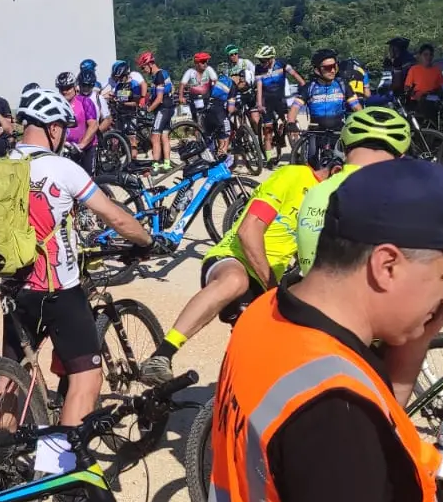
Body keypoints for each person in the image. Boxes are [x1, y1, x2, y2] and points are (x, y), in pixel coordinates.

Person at [203, 158, 443, 502]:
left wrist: (416, 342)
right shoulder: (335, 414)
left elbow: (381, 416)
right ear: (387, 265)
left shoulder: (267, 316)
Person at [0, 86, 155, 458]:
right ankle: (63, 474)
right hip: (58, 290)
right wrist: (145, 241)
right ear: (54, 128)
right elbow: (115, 216)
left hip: (15, 287)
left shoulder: (2, 167)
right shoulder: (61, 168)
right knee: (86, 377)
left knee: (12, 372)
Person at [139, 150, 339, 384]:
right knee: (235, 281)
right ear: (335, 171)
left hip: (267, 279)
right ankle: (161, 356)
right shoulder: (294, 176)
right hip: (234, 258)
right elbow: (247, 232)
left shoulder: (330, 204)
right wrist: (272, 287)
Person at [295, 108, 411, 275]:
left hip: (312, 294)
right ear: (401, 156)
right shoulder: (401, 197)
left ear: (341, 146)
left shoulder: (315, 191)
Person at [300, 48, 363, 161]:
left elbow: (356, 107)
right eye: (328, 68)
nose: (333, 70)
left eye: (335, 66)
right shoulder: (309, 87)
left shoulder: (342, 84)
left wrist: (363, 121)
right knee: (311, 162)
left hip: (338, 129)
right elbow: (295, 108)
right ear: (317, 70)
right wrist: (290, 122)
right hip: (316, 130)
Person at [253, 46, 307, 165]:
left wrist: (305, 88)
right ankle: (269, 159)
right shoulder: (258, 69)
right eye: (260, 61)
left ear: (271, 58)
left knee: (290, 123)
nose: (261, 63)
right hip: (267, 101)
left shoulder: (281, 64)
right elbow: (259, 87)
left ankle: (297, 149)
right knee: (268, 131)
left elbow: (296, 76)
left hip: (281, 99)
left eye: (263, 60)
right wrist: (260, 104)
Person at [137, 51, 177, 172]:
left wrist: (148, 110)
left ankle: (155, 166)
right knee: (164, 136)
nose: (143, 70)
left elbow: (159, 99)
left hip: (163, 109)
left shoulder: (159, 75)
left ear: (149, 64)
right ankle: (166, 164)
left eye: (143, 67)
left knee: (155, 136)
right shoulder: (162, 73)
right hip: (169, 107)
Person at [64, 71, 102, 174]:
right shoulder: (59, 104)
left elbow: (93, 125)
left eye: (68, 88)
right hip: (67, 148)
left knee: (89, 179)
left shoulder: (85, 101)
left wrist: (82, 144)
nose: (64, 91)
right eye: (61, 89)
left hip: (87, 147)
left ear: (74, 87)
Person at [181, 52, 220, 120]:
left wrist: (216, 94)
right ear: (196, 63)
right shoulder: (190, 72)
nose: (205, 64)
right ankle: (196, 127)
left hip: (207, 97)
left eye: (206, 62)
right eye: (202, 62)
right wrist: (181, 97)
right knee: (195, 118)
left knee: (209, 117)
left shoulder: (209, 69)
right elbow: (182, 84)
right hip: (194, 98)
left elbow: (216, 81)